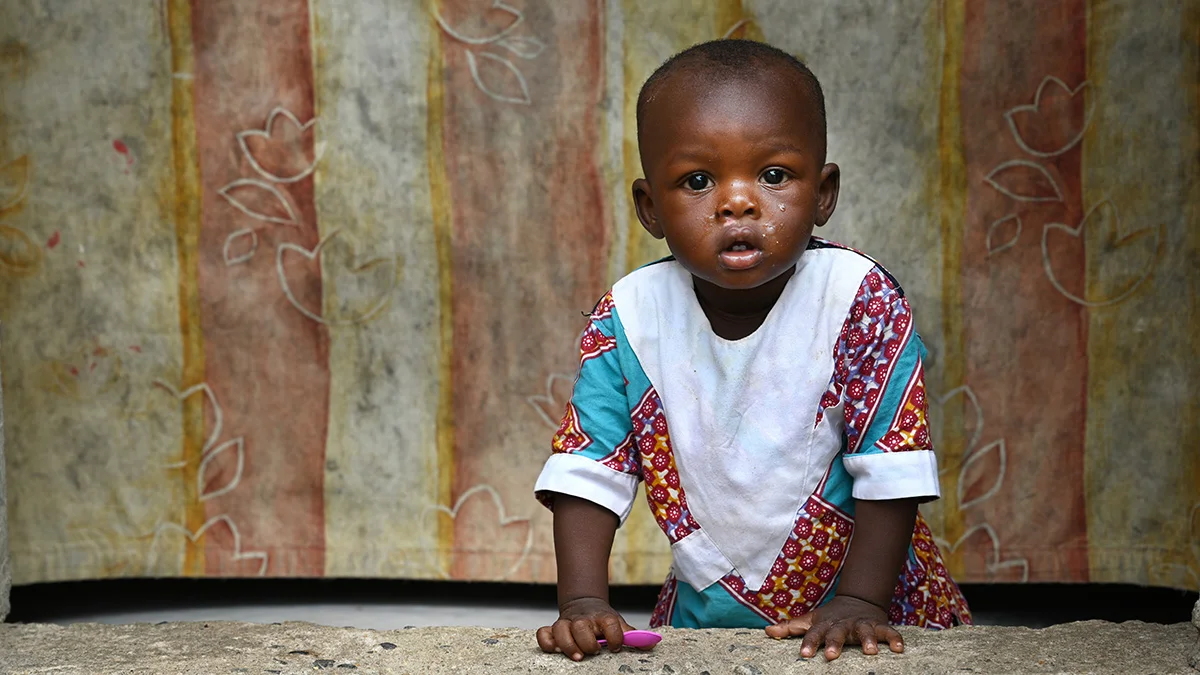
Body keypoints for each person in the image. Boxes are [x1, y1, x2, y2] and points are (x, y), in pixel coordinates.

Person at [532, 38, 971, 663]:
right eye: (698, 180)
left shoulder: (857, 300)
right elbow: (590, 465)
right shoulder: (630, 315)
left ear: (822, 194)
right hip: (706, 613)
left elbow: (890, 465)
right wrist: (581, 602)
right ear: (650, 207)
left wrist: (862, 603)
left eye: (772, 175)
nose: (737, 202)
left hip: (871, 608)